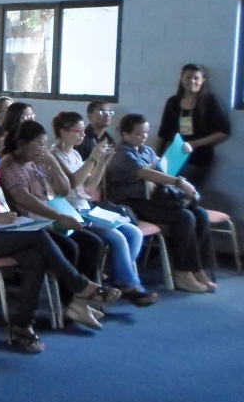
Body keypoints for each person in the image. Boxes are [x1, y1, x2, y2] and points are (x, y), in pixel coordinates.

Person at [0, 117, 118, 353]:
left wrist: (9, 219)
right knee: (37, 236)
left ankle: (23, 325)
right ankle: (81, 286)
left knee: (35, 258)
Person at [0, 121, 109, 329]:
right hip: (31, 222)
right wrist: (58, 217)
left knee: (92, 243)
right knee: (70, 247)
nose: (42, 149)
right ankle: (71, 303)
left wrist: (53, 163)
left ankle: (79, 301)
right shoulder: (9, 163)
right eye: (38, 145)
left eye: (45, 145)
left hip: (50, 217)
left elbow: (64, 190)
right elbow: (22, 197)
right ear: (22, 144)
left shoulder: (39, 160)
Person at [50, 112, 157, 306]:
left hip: (86, 207)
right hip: (71, 212)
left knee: (133, 232)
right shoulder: (54, 155)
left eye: (83, 131)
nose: (83, 135)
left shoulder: (74, 153)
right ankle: (131, 285)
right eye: (78, 131)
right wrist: (92, 159)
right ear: (64, 132)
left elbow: (89, 187)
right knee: (116, 237)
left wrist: (102, 162)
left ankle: (120, 280)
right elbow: (71, 184)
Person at [106, 113, 216, 293]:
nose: (143, 137)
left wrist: (180, 154)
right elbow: (145, 173)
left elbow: (163, 169)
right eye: (138, 134)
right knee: (184, 217)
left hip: (153, 199)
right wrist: (179, 182)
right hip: (132, 203)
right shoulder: (121, 154)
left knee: (200, 214)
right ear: (124, 134)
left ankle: (199, 270)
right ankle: (182, 271)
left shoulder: (147, 151)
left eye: (145, 133)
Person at [157, 63, 231, 186]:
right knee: (167, 192)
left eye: (196, 78)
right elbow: (163, 132)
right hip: (174, 156)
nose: (191, 81)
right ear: (182, 79)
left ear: (202, 81)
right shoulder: (173, 102)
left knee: (187, 192)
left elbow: (224, 132)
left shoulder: (210, 101)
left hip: (199, 157)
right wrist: (157, 157)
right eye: (187, 77)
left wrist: (194, 144)